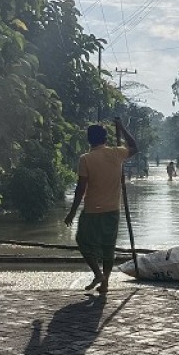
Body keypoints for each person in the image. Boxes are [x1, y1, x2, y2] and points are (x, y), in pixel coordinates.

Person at [64, 119, 139, 293]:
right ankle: (103, 279)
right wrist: (123, 129)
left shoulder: (86, 159)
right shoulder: (116, 153)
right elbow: (134, 147)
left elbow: (81, 189)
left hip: (92, 210)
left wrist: (72, 212)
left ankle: (100, 275)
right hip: (112, 210)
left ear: (89, 140)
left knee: (83, 242)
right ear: (105, 138)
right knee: (108, 247)